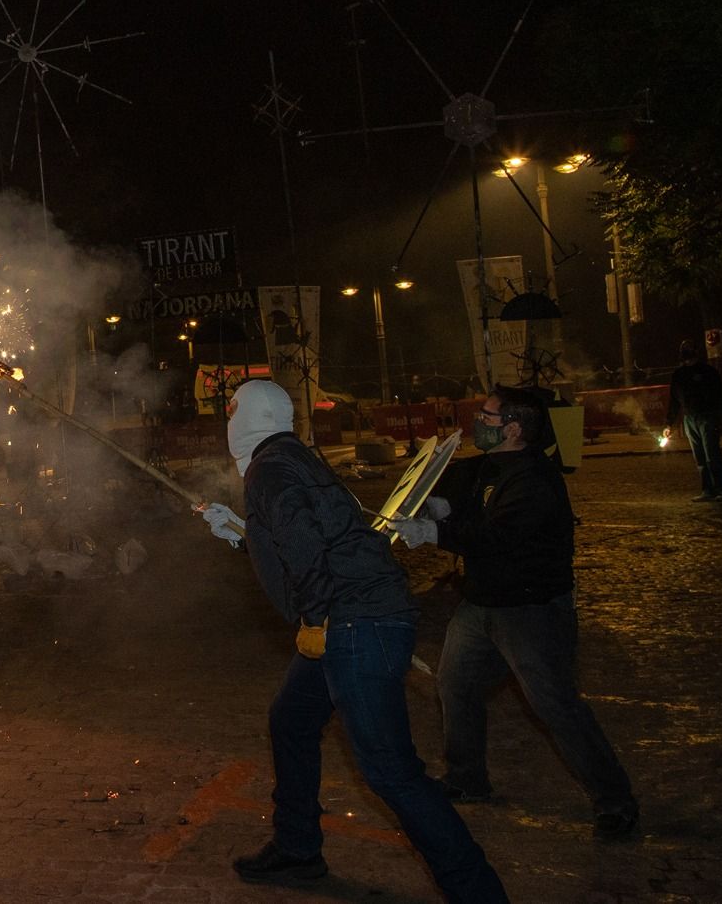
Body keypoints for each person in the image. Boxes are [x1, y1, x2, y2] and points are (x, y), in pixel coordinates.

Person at [201, 380, 508, 901]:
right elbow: (310, 535)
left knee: (392, 772)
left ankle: (479, 894)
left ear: (243, 420)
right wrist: (242, 533)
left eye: (231, 414)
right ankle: (298, 848)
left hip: (352, 624)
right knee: (291, 720)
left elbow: (303, 549)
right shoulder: (291, 457)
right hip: (356, 615)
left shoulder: (269, 469)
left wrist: (317, 619)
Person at [391, 386, 640, 842]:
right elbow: (462, 486)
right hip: (482, 604)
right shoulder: (492, 464)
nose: (477, 422)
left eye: (486, 416)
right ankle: (467, 780)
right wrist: (431, 499)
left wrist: (433, 531)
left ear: (513, 428)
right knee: (455, 686)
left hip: (530, 612)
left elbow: (496, 537)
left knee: (557, 707)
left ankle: (615, 802)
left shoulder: (535, 481)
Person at [663, 340, 722, 502]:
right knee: (700, 457)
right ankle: (708, 490)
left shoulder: (707, 372)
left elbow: (721, 394)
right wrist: (668, 423)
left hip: (707, 415)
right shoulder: (679, 375)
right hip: (690, 418)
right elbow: (674, 401)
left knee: (712, 454)